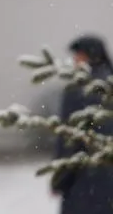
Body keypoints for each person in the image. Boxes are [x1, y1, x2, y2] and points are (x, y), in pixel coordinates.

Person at [54, 35, 113, 214]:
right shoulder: (109, 86)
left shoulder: (77, 89)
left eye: (77, 56)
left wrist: (60, 178)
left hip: (83, 181)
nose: (74, 61)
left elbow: (69, 137)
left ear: (89, 56)